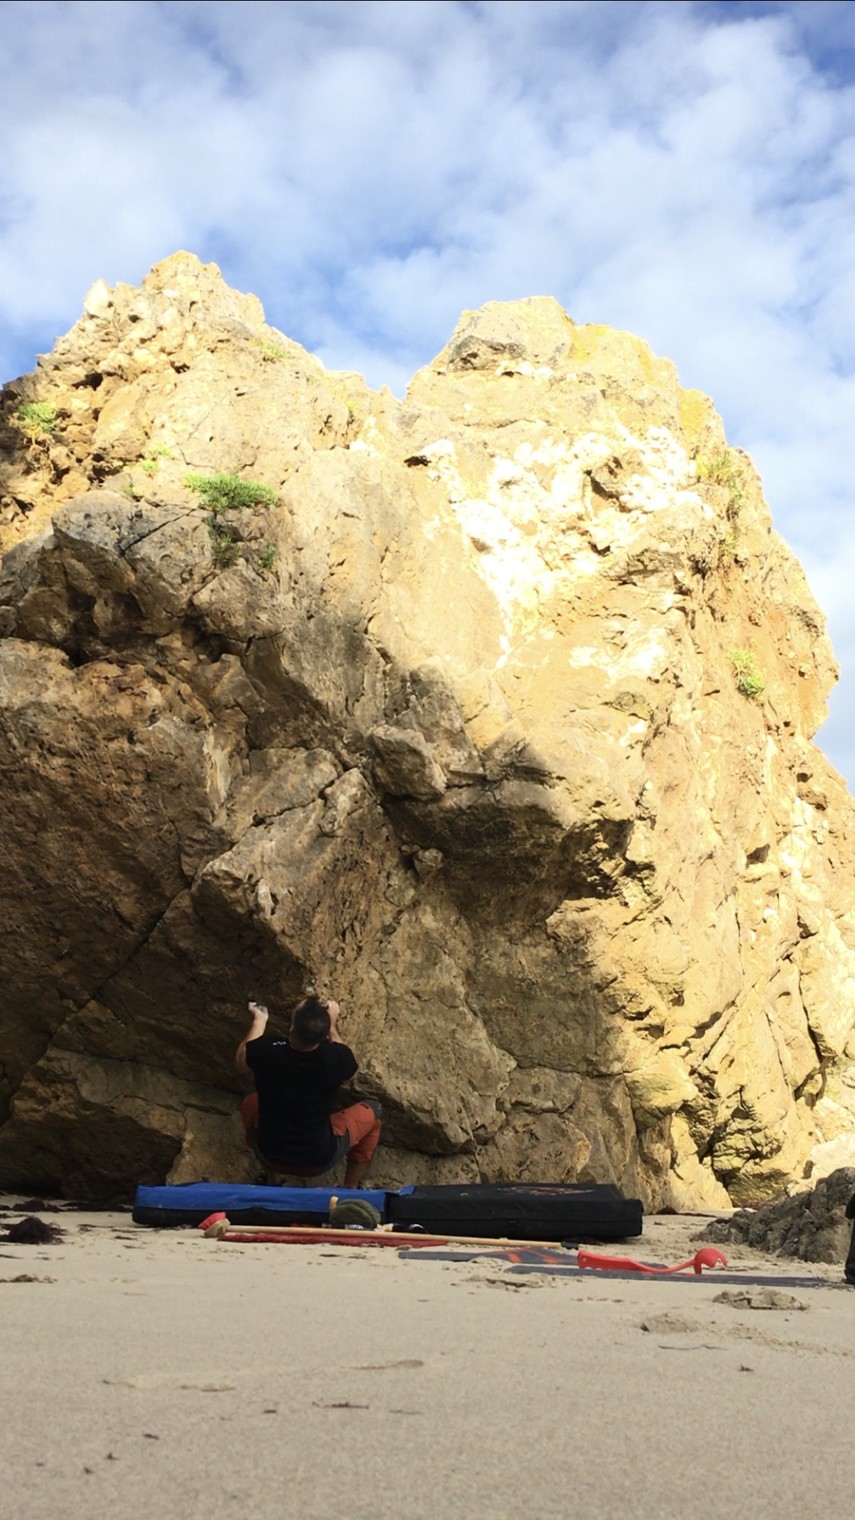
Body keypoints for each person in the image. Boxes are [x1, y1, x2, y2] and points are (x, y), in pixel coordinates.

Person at [236, 994, 382, 1189]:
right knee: (375, 1110)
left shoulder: (268, 1050)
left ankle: (272, 1180)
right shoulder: (336, 1059)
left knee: (250, 1102)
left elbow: (241, 1062)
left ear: (291, 1027)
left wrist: (259, 1020)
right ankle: (351, 1188)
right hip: (319, 1158)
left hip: (270, 1154)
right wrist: (332, 1025)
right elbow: (345, 1058)